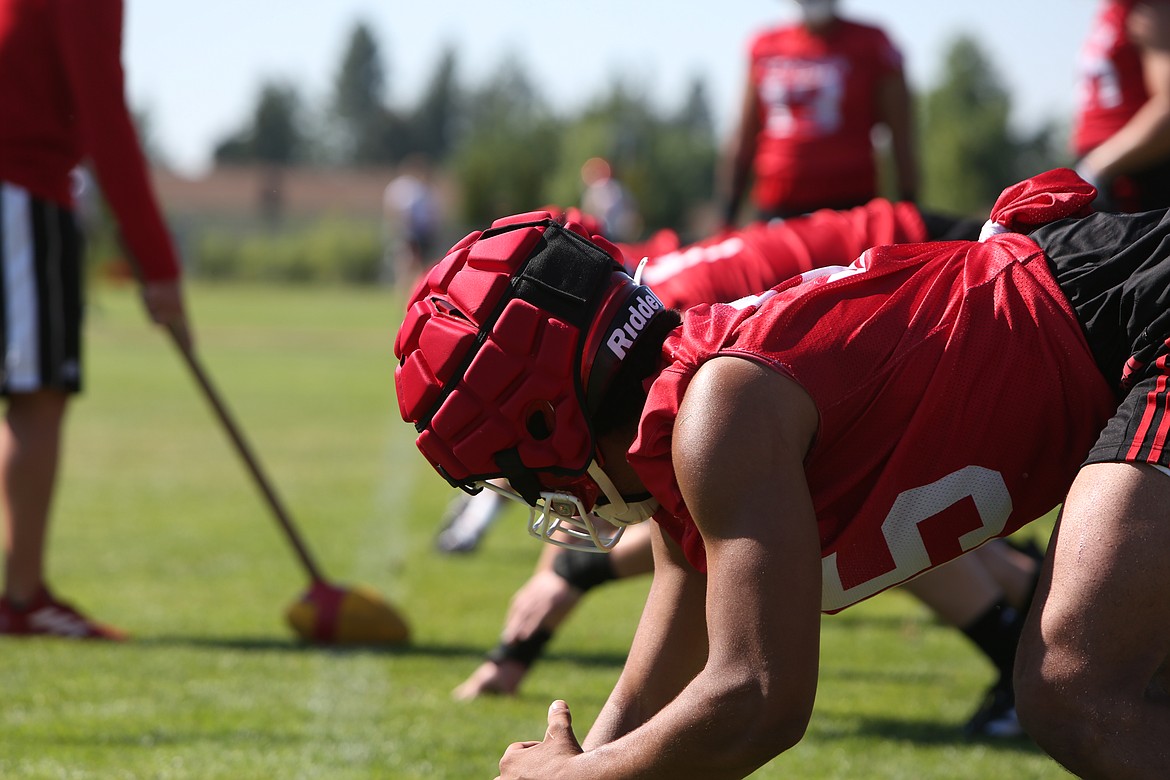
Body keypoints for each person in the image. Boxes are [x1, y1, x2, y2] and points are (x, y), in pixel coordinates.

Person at [396, 168, 1170, 777]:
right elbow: (659, 700)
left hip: (1144, 314)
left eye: (517, 476)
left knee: (1080, 689)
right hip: (1122, 320)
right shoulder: (683, 446)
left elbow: (758, 699)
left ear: (545, 421)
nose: (536, 497)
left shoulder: (720, 417)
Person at [0, 0, 190, 639]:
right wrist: (157, 265)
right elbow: (102, 116)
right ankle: (23, 598)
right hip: (19, 191)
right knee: (37, 392)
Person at [719, 0, 918, 227]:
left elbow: (901, 135)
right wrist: (727, 215)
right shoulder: (764, 44)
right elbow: (744, 136)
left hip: (850, 204)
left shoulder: (871, 42)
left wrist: (909, 207)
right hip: (778, 204)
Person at [1073, 0, 1170, 212]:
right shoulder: (1114, 9)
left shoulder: (1151, 8)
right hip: (1104, 174)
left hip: (1135, 178)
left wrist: (1095, 168)